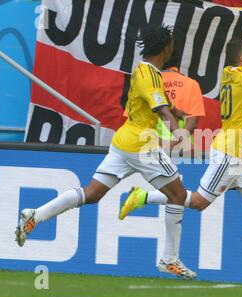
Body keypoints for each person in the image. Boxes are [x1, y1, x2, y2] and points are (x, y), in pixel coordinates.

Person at [15, 26, 197, 280]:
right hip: (141, 145)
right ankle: (169, 259)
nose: (173, 47)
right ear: (166, 46)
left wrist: (177, 113)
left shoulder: (147, 71)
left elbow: (164, 105)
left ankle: (36, 214)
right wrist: (179, 133)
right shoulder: (150, 76)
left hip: (124, 141)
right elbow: (162, 112)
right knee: (177, 195)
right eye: (172, 43)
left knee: (92, 194)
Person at [120, 36, 242, 277]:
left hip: (241, 155)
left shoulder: (230, 72)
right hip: (230, 152)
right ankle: (144, 196)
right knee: (199, 202)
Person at [155, 49, 205, 155]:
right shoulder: (192, 84)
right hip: (183, 151)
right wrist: (176, 143)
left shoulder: (149, 83)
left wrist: (162, 143)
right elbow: (192, 124)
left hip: (152, 149)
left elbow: (135, 122)